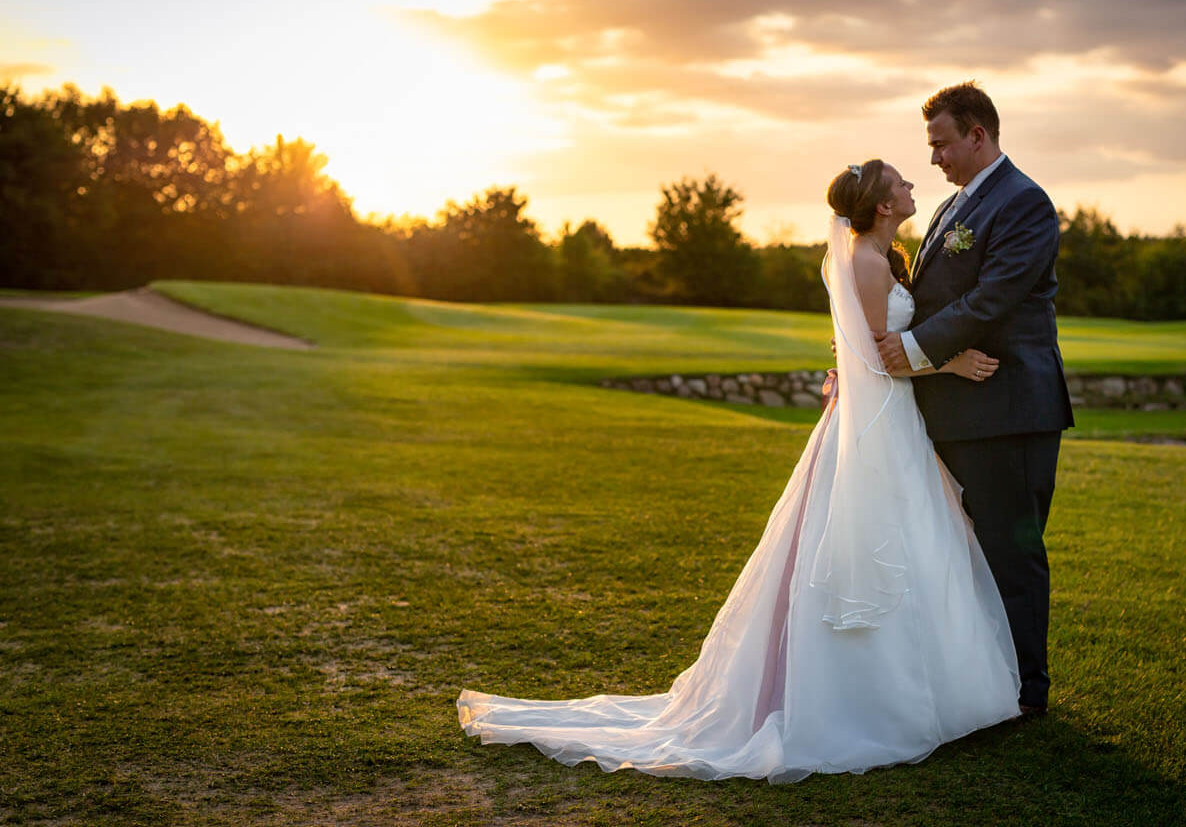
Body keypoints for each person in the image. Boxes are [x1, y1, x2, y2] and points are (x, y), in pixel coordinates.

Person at [457, 158, 1023, 782]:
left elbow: (858, 349)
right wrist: (952, 364)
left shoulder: (880, 257)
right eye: (902, 183)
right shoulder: (864, 261)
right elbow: (875, 358)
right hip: (877, 422)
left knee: (909, 543)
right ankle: (872, 703)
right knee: (877, 545)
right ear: (883, 205)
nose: (915, 185)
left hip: (889, 421)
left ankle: (928, 692)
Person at [874, 82, 1074, 716]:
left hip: (1009, 408)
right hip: (960, 407)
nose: (934, 159)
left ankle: (1025, 693)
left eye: (940, 144)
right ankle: (984, 684)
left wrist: (906, 352)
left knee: (1012, 553)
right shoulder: (951, 208)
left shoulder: (1024, 203)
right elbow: (934, 299)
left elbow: (993, 298)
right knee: (967, 555)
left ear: (977, 135)